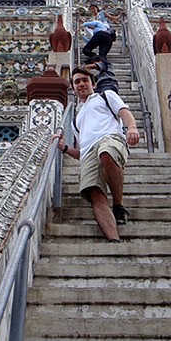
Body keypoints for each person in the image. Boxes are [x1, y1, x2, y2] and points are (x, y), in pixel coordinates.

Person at [57, 66, 140, 242]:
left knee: (106, 154)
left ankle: (118, 205)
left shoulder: (105, 96)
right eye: (77, 82)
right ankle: (114, 240)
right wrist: (64, 148)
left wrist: (132, 127)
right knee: (94, 192)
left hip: (110, 138)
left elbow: (124, 112)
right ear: (73, 88)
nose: (81, 84)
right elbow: (82, 152)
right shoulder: (75, 119)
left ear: (93, 83)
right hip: (88, 154)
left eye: (85, 80)